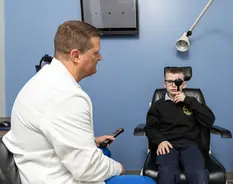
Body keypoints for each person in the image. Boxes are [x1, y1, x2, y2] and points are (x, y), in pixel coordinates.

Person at [2, 20, 154, 184]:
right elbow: (88, 169)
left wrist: (92, 141)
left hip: (33, 165)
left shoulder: (43, 79)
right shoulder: (67, 97)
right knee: (145, 182)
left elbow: (51, 130)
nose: (100, 57)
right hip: (52, 178)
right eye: (96, 53)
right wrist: (120, 168)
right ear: (76, 55)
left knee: (104, 153)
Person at [145, 67, 216, 184]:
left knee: (198, 173)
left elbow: (209, 120)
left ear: (184, 84)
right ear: (165, 84)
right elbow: (150, 127)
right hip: (167, 145)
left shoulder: (192, 102)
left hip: (190, 145)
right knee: (167, 174)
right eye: (170, 82)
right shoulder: (158, 106)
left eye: (177, 82)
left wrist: (188, 100)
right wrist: (160, 141)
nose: (173, 85)